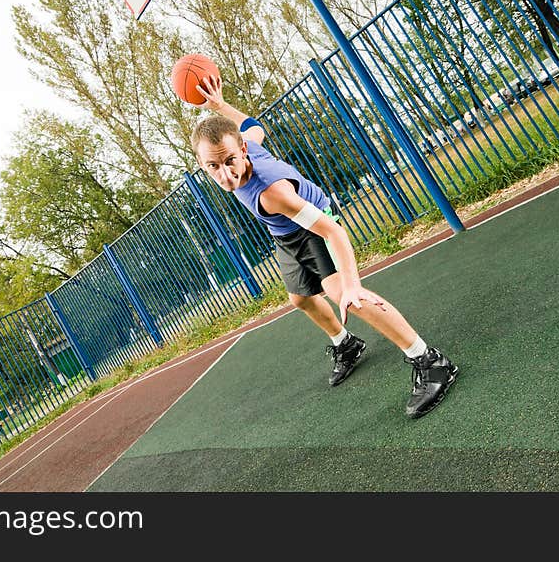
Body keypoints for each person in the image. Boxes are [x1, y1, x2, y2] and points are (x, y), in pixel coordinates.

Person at [191, 76, 459, 418]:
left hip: (315, 225)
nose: (225, 174)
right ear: (203, 165)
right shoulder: (248, 143)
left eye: (229, 161)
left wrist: (351, 285)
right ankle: (345, 343)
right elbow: (254, 126)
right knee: (300, 298)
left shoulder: (272, 192)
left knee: (343, 294)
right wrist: (219, 106)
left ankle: (430, 360)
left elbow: (332, 231)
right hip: (286, 235)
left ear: (242, 151)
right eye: (213, 166)